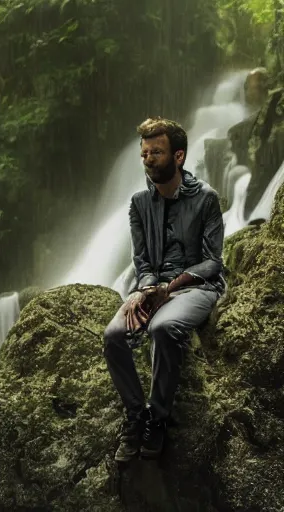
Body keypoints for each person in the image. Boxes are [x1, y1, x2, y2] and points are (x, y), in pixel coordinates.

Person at [103, 117, 225, 462]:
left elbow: (213, 261)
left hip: (197, 287)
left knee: (164, 327)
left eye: (156, 152)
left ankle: (157, 419)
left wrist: (170, 287)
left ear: (179, 156)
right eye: (144, 154)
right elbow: (141, 261)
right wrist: (145, 289)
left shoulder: (206, 200)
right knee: (113, 335)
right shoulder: (139, 204)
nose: (148, 159)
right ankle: (135, 416)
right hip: (154, 287)